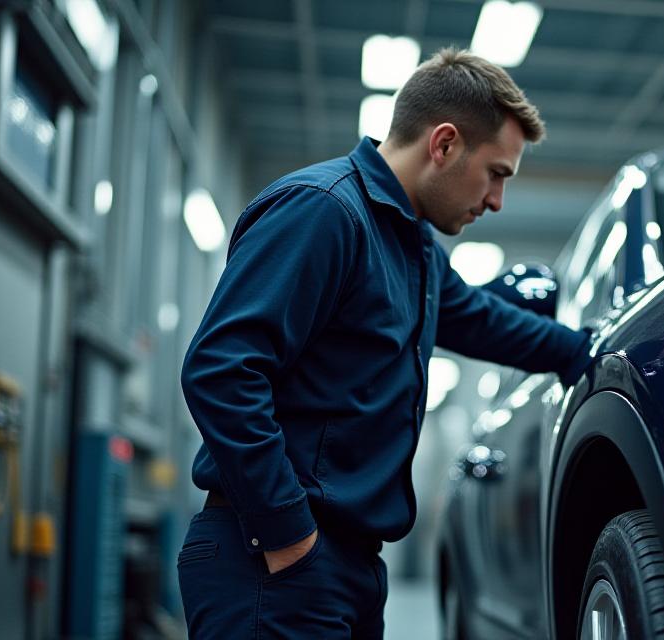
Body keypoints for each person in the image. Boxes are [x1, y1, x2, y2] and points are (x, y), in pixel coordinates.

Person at [176, 48, 590, 638]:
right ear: (444, 144)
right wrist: (287, 531)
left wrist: (583, 351)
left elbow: (480, 319)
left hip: (344, 565)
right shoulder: (325, 210)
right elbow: (221, 370)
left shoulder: (412, 244)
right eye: (496, 173)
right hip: (271, 558)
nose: (497, 200)